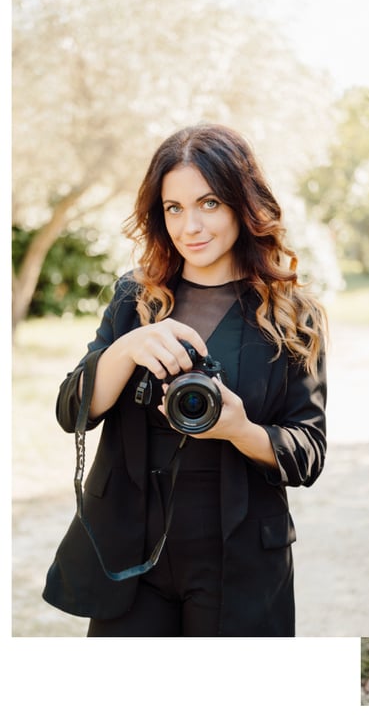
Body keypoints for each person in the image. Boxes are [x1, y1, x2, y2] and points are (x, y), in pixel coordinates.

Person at [43, 123, 327, 636]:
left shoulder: (292, 315)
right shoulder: (134, 298)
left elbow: (308, 451)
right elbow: (72, 411)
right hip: (129, 547)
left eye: (210, 203)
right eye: (173, 208)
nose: (189, 225)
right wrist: (125, 349)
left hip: (237, 553)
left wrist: (241, 429)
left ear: (244, 203)